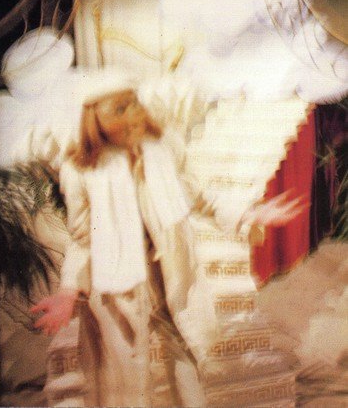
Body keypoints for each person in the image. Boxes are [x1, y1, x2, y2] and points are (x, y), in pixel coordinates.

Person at [31, 74, 307, 406]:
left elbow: (199, 195)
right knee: (124, 379)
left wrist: (248, 214)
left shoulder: (163, 148)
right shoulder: (81, 170)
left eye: (133, 103)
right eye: (119, 109)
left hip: (171, 269)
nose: (133, 115)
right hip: (118, 286)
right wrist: (68, 289)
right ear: (94, 120)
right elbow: (83, 237)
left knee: (186, 353)